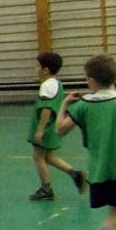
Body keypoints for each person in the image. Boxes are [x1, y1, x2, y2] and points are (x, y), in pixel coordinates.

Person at [56, 54, 116, 230]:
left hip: (100, 172)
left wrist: (64, 104)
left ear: (91, 80)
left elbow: (60, 130)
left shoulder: (83, 106)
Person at [26, 51, 87, 201]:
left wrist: (40, 130)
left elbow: (46, 109)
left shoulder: (46, 86)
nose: (35, 69)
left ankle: (46, 189)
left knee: (38, 156)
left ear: (46, 70)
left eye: (37, 66)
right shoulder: (56, 83)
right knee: (48, 156)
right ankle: (76, 174)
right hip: (53, 126)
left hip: (46, 127)